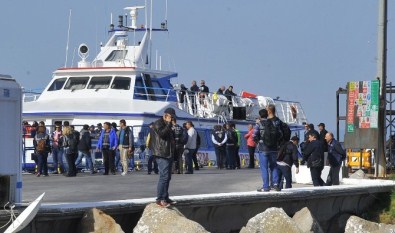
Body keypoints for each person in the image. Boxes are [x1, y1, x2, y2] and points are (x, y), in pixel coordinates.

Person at [151, 107, 177, 207]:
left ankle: (165, 197)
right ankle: (160, 198)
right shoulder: (158, 123)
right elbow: (162, 134)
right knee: (164, 176)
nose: (172, 119)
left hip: (168, 153)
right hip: (161, 153)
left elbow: (170, 138)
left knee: (168, 177)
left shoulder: (167, 124)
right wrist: (169, 124)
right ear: (166, 116)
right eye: (171, 117)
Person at [254, 108, 280, 192]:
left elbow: (254, 136)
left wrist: (258, 143)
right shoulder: (273, 123)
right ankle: (275, 185)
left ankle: (266, 187)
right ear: (267, 114)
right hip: (273, 149)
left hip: (263, 148)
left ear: (260, 115)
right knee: (274, 167)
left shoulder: (259, 124)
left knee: (264, 168)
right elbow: (280, 134)